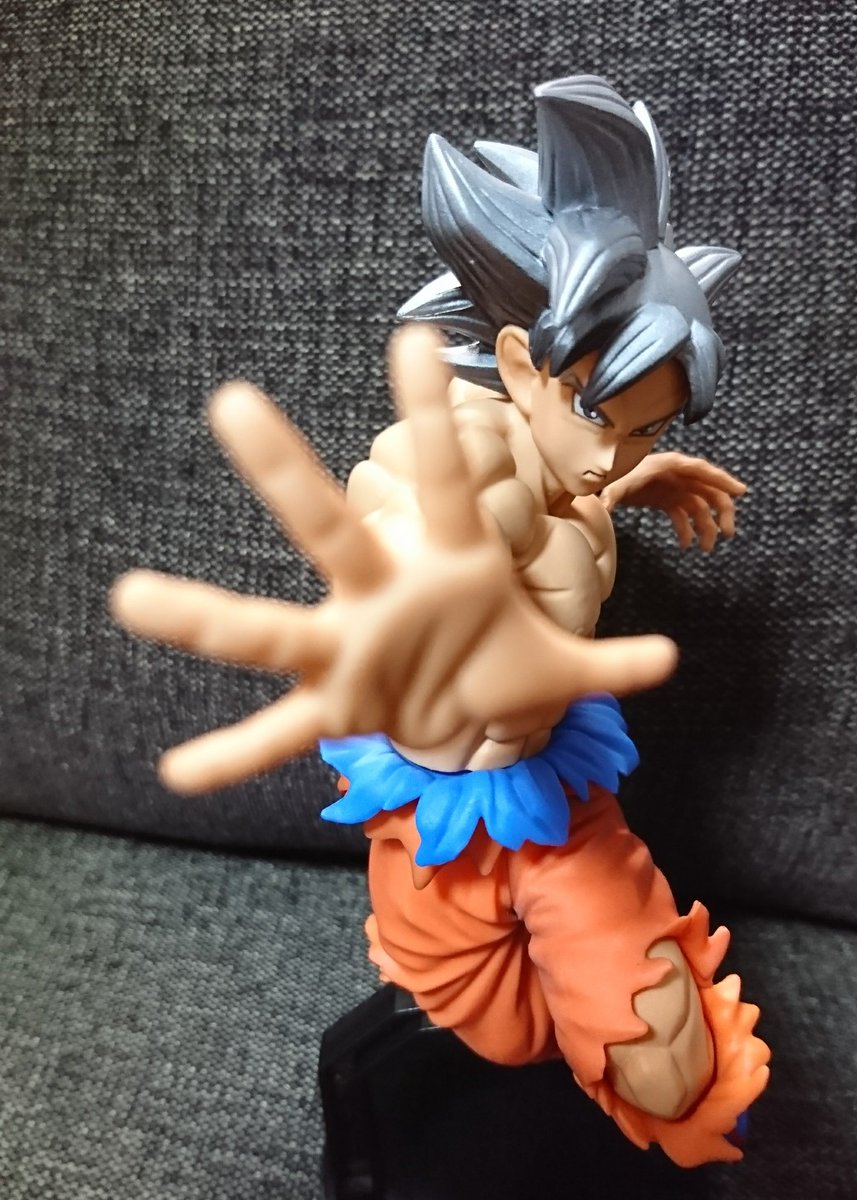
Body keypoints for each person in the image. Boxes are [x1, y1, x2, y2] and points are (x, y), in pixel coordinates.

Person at [111, 75, 769, 1167]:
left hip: (557, 793)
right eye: (601, 415)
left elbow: (561, 495)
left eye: (645, 430)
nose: (612, 453)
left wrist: (628, 480)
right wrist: (422, 630)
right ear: (517, 365)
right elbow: (427, 539)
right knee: (573, 1048)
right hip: (453, 840)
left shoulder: (565, 460)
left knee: (671, 1066)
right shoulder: (455, 460)